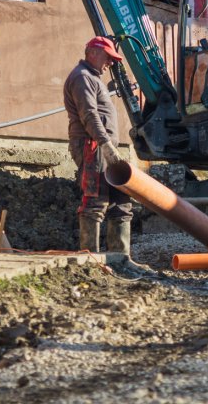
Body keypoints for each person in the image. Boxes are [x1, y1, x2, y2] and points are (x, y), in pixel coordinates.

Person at [64, 36, 133, 258]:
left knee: (120, 200)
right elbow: (89, 115)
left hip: (102, 146)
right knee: (96, 199)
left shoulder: (92, 78)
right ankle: (89, 257)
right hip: (91, 146)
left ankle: (120, 258)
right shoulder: (82, 77)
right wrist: (105, 144)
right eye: (108, 57)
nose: (110, 63)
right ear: (93, 53)